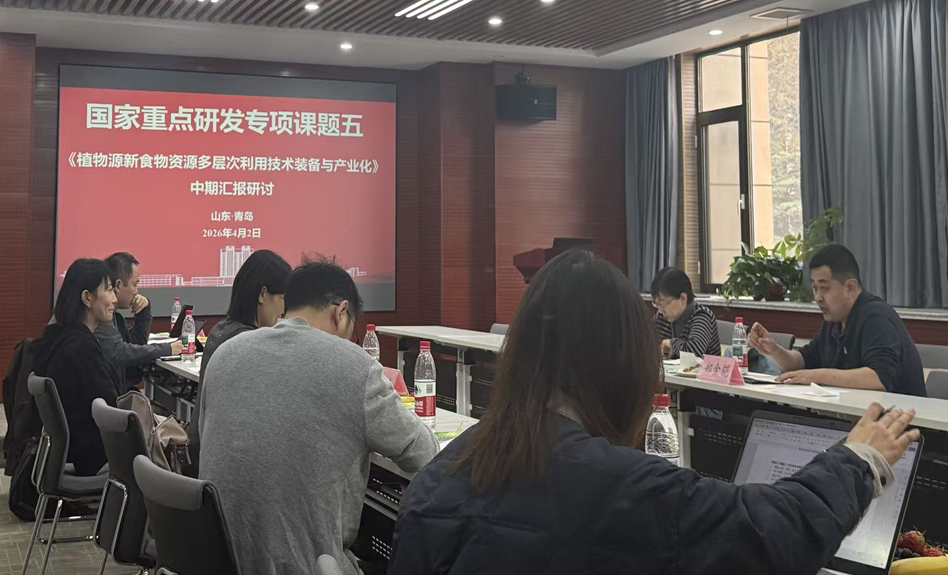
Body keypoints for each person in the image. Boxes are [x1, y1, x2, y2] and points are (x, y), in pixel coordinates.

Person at [388, 249, 919, 575]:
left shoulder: (444, 470)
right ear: (622, 363)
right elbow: (770, 535)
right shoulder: (625, 488)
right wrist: (858, 460)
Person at [198, 256, 438, 575]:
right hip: (309, 567)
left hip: (216, 561)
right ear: (341, 312)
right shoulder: (355, 367)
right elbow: (426, 454)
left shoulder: (225, 354)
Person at [750, 245, 927, 396]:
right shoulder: (834, 321)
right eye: (815, 288)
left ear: (850, 288)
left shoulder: (876, 317)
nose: (818, 297)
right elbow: (803, 361)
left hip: (901, 422)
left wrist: (817, 376)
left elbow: (879, 378)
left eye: (824, 288)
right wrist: (774, 350)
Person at [31, 258, 122, 476]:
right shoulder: (81, 350)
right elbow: (112, 410)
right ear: (87, 298)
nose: (114, 299)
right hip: (93, 456)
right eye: (109, 290)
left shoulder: (58, 337)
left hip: (72, 452)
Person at [198, 249, 292, 387]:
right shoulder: (250, 343)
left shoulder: (221, 329)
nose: (284, 310)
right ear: (263, 295)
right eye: (283, 298)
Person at [94, 252, 181, 390]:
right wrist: (167, 349)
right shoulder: (99, 318)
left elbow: (136, 346)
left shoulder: (117, 319)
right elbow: (121, 352)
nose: (137, 291)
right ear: (118, 285)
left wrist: (144, 312)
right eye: (135, 284)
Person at [650, 266, 721, 358]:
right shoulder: (661, 317)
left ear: (683, 298)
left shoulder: (702, 316)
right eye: (657, 304)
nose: (660, 310)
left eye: (663, 304)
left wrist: (671, 343)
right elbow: (645, 341)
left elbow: (694, 353)